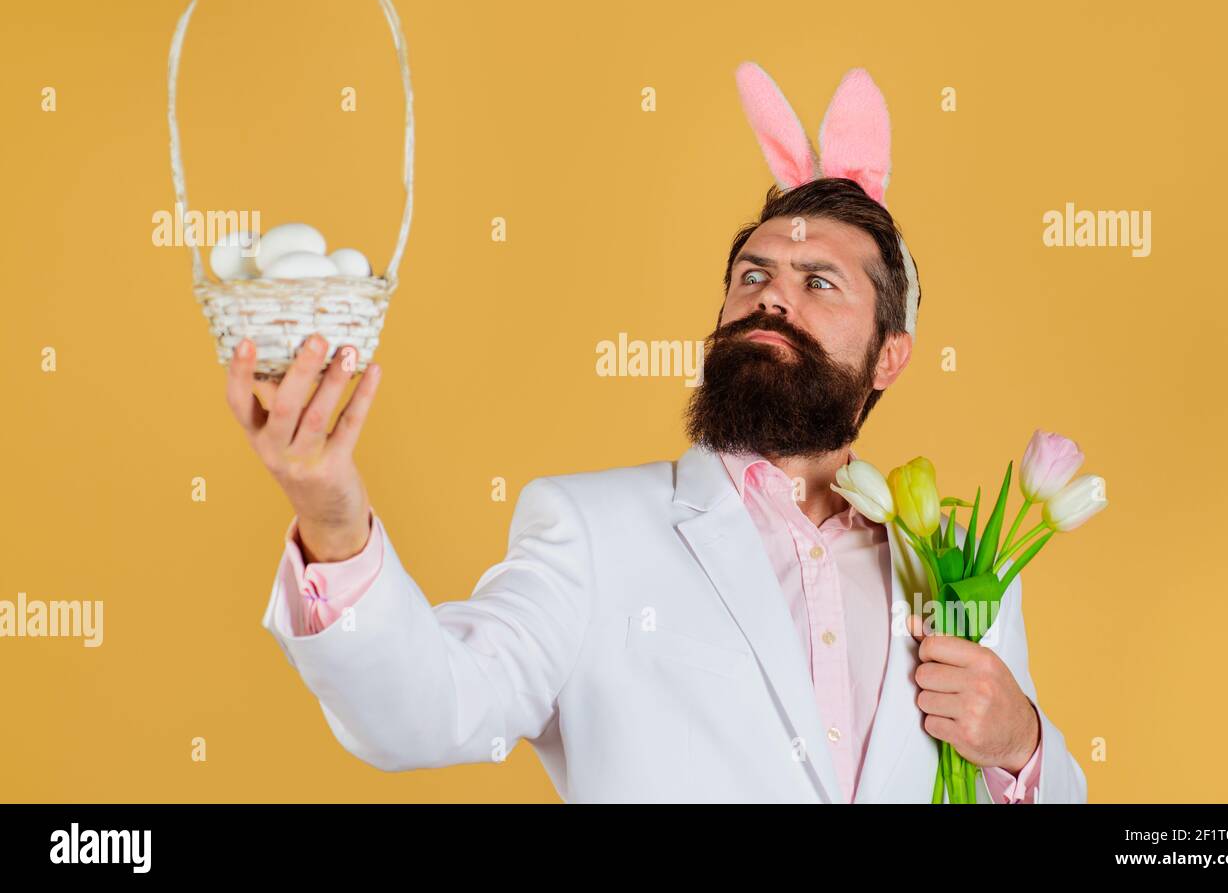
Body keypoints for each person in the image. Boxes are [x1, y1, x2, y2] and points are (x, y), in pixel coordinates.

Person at [225, 64, 1087, 803]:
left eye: (819, 281)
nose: (771, 298)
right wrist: (333, 522)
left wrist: (1021, 745)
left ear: (890, 356)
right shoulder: (592, 532)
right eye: (753, 275)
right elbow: (424, 709)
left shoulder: (961, 563)